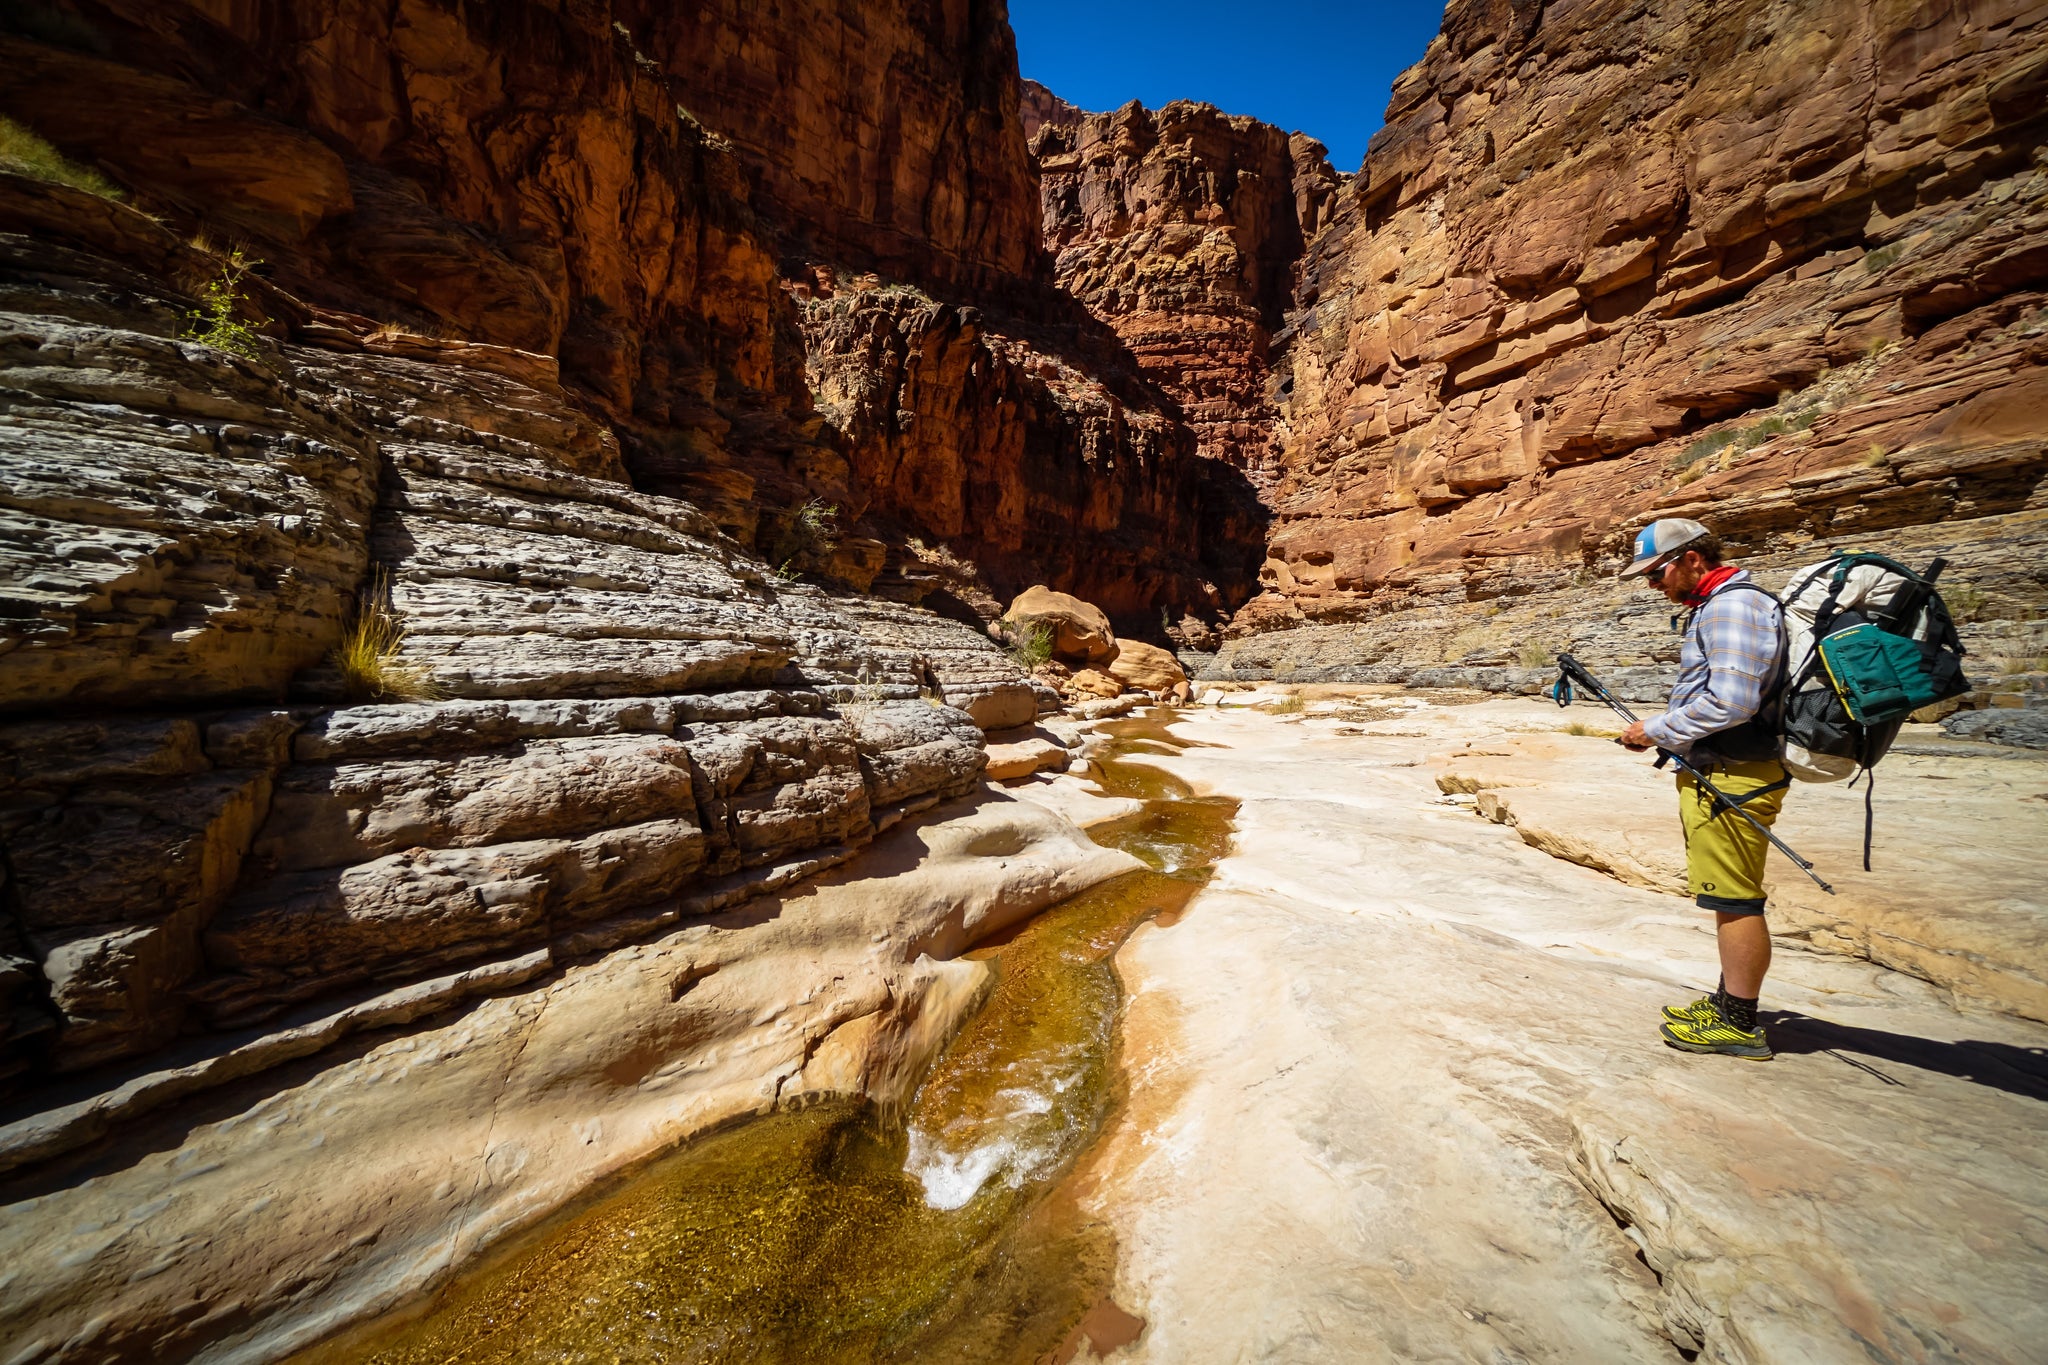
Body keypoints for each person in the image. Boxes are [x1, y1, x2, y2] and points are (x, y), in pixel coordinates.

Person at [1617, 518, 1787, 1060]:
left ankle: (1738, 1022)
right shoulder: (1719, 604)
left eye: (1657, 572)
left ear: (1693, 559)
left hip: (1733, 773)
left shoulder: (1731, 606)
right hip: (1721, 767)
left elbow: (1733, 702)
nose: (1652, 585)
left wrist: (1656, 730)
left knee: (1734, 899)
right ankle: (1725, 1003)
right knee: (1725, 894)